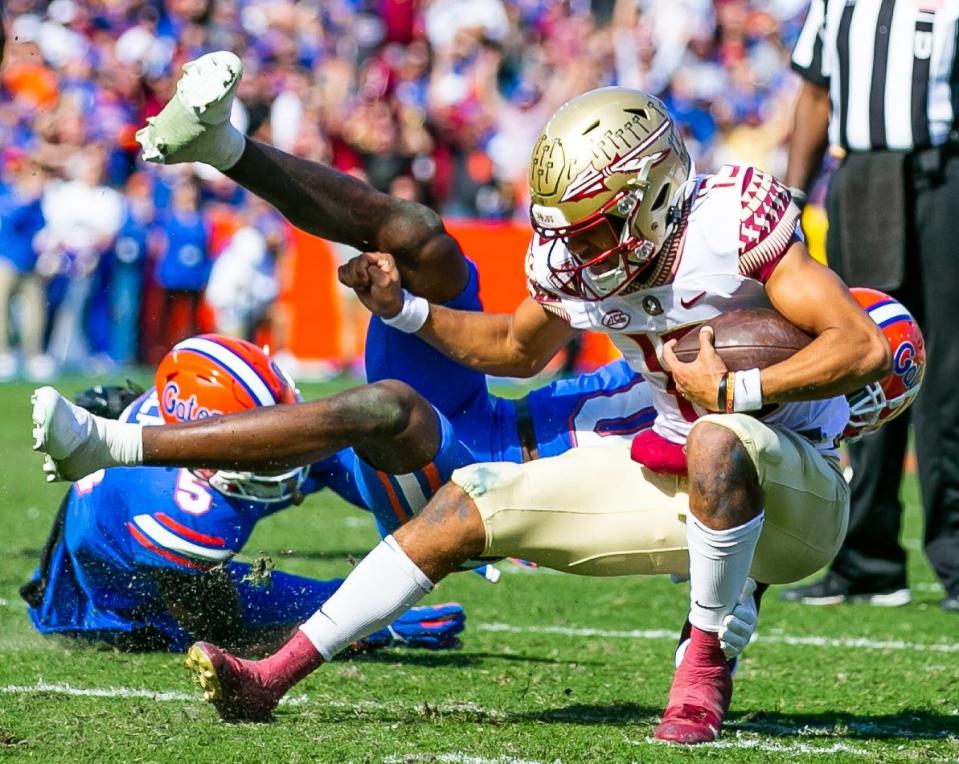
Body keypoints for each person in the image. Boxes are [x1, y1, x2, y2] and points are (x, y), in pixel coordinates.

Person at [34, 54, 890, 744]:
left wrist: (736, 386)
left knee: (701, 439)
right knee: (422, 262)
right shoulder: (580, 259)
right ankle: (271, 678)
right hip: (591, 456)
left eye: (592, 229)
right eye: (567, 230)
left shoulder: (736, 230)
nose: (576, 252)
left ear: (654, 194)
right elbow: (513, 348)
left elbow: (860, 348)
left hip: (767, 485)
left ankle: (702, 668)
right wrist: (402, 308)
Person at [22, 337, 464, 654]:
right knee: (352, 603)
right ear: (210, 450)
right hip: (124, 608)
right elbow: (223, 633)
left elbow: (354, 469)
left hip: (178, 505)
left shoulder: (204, 430)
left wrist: (445, 512)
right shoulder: (177, 509)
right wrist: (361, 630)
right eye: (256, 436)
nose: (279, 440)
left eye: (276, 421)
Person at [781, 0, 959, 613]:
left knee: (949, 379)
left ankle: (956, 560)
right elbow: (814, 93)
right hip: (860, 180)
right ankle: (868, 562)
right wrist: (795, 196)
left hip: (946, 178)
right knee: (863, 364)